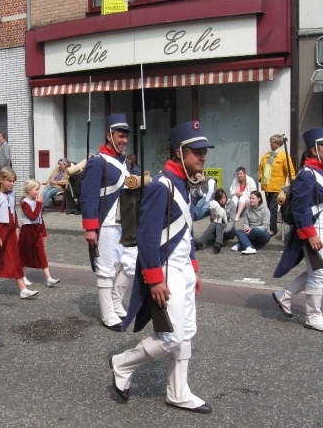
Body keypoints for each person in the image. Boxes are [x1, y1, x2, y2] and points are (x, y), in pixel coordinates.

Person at [112, 121, 213, 414]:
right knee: (170, 337)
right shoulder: (161, 185)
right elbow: (146, 237)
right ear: (179, 152)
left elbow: (186, 231)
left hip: (183, 268)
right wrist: (154, 279)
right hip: (165, 268)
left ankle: (179, 392)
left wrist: (194, 268)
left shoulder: (184, 184)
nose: (202, 157)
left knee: (188, 331)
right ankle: (122, 363)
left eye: (204, 152)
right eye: (196, 152)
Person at [81, 113, 133, 331]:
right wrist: (90, 228)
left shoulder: (122, 163)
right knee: (106, 270)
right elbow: (88, 195)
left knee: (132, 264)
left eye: (125, 137)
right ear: (109, 135)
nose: (123, 140)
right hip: (106, 225)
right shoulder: (97, 161)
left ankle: (116, 301)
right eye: (120, 136)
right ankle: (107, 314)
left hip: (124, 223)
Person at [272, 127, 323, 330]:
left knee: (318, 271)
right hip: (312, 229)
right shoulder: (307, 174)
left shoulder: (319, 171)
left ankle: (284, 295)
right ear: (314, 150)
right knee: (318, 273)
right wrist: (310, 234)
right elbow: (300, 208)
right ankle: (313, 316)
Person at [0, 167, 39, 298]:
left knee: (15, 258)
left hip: (10, 230)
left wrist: (16, 228)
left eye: (13, 181)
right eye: (9, 181)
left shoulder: (12, 194)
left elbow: (13, 212)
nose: (12, 183)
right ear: (1, 180)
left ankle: (23, 289)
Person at [19, 179, 59, 287]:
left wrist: (43, 232)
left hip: (36, 229)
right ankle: (22, 276)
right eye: (36, 189)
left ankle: (49, 278)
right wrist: (39, 204)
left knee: (41, 253)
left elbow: (40, 218)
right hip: (27, 230)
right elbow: (32, 216)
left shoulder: (37, 202)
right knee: (25, 254)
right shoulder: (24, 202)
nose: (38, 191)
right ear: (28, 190)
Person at [259, 134, 295, 236]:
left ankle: (273, 229)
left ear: (279, 143)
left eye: (273, 142)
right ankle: (269, 225)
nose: (271, 143)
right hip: (267, 186)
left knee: (273, 208)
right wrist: (261, 178)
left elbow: (290, 170)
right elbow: (261, 167)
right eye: (270, 141)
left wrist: (293, 182)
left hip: (277, 187)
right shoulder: (266, 155)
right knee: (269, 208)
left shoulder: (283, 156)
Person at [194, 189, 237, 253]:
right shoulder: (215, 205)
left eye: (224, 198)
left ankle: (217, 243)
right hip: (217, 229)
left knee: (218, 224)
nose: (222, 200)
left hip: (229, 230)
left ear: (226, 197)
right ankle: (201, 243)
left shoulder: (232, 204)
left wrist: (225, 230)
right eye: (220, 198)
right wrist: (212, 218)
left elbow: (232, 221)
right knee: (215, 223)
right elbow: (214, 221)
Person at [230, 190, 270, 255]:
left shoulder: (265, 210)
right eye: (250, 198)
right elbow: (246, 222)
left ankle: (240, 244)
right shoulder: (248, 209)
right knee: (238, 231)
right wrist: (246, 229)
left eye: (253, 198)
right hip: (250, 232)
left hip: (263, 233)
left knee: (255, 231)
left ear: (259, 199)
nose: (251, 200)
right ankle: (249, 247)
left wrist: (252, 229)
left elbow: (265, 226)